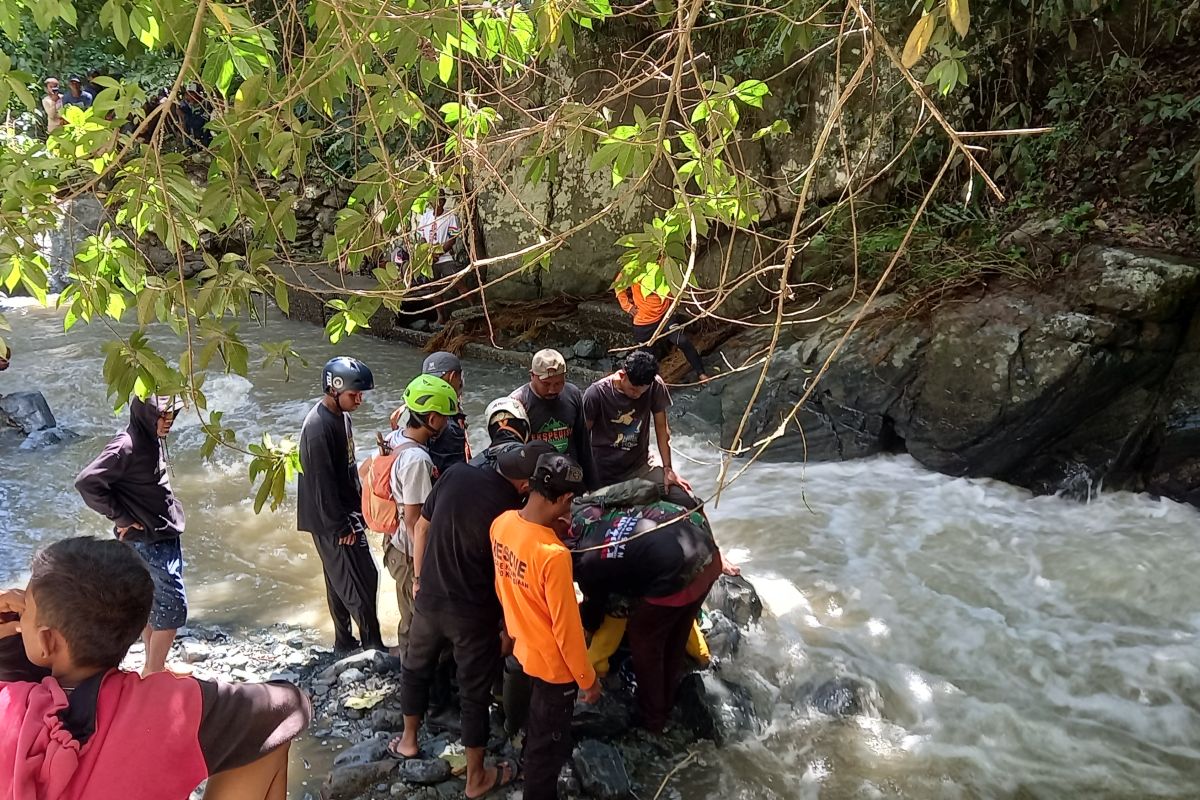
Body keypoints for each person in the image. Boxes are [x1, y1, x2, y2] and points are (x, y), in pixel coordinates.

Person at [0, 537, 311, 800]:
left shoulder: (11, 707)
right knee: (265, 740)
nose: (19, 614)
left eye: (25, 609)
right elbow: (287, 708)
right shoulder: (163, 703)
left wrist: (9, 647)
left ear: (47, 641)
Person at [390, 440, 554, 797]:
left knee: (415, 667)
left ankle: (407, 741)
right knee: (474, 693)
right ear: (527, 486)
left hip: (430, 599)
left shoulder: (455, 473)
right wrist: (509, 630)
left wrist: (419, 579)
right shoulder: (513, 511)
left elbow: (420, 527)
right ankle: (476, 778)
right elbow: (508, 575)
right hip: (472, 612)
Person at [491, 453, 601, 800]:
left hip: (524, 648)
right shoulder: (554, 556)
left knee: (534, 728)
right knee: (546, 748)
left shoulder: (503, 523)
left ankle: (521, 749)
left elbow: (502, 585)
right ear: (567, 500)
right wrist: (588, 680)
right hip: (555, 670)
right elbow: (567, 633)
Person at [568, 488, 723, 732]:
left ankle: (653, 719)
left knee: (645, 640)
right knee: (675, 635)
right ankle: (670, 698)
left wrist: (586, 629)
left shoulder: (586, 560)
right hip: (709, 558)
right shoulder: (605, 517)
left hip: (678, 573)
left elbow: (594, 609)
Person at [75, 394, 187, 676]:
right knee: (172, 605)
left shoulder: (147, 437)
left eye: (171, 414)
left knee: (152, 602)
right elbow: (87, 482)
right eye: (162, 415)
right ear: (145, 414)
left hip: (158, 535)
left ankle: (152, 665)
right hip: (148, 540)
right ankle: (154, 672)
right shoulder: (126, 445)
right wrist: (121, 516)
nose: (168, 421)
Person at [298, 356, 385, 654]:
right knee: (360, 580)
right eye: (354, 394)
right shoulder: (318, 428)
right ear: (334, 390)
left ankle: (344, 641)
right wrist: (340, 525)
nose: (359, 400)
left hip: (341, 514)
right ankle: (372, 645)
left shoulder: (340, 417)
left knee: (339, 580)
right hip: (331, 520)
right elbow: (320, 483)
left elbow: (346, 471)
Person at [379, 374, 458, 658]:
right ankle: (416, 680)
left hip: (395, 545)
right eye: (445, 419)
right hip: (410, 552)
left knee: (409, 618)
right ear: (433, 419)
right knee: (420, 622)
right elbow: (416, 522)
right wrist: (421, 576)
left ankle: (409, 673)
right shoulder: (417, 462)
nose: (447, 424)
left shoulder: (396, 437)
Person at [583, 349, 696, 508]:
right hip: (604, 475)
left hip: (641, 467)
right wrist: (585, 479)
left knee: (690, 501)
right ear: (623, 375)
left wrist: (668, 468)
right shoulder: (596, 394)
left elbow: (662, 428)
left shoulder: (654, 385)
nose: (637, 395)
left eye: (642, 391)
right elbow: (580, 437)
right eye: (633, 390)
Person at [510, 348, 600, 490]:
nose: (552, 389)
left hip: (570, 477)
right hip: (537, 483)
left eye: (558, 383)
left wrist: (593, 487)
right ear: (532, 376)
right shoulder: (518, 403)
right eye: (546, 384)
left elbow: (583, 445)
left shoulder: (573, 394)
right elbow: (512, 456)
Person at [615, 279, 709, 382]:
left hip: (665, 317)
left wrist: (673, 300)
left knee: (682, 341)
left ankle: (701, 373)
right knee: (645, 358)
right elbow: (619, 285)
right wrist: (628, 307)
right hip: (644, 322)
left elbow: (674, 282)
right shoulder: (634, 267)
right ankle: (649, 387)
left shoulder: (664, 264)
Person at [415, 192, 469, 325]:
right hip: (429, 259)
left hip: (444, 257)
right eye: (434, 202)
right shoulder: (426, 216)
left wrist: (439, 253)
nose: (437, 205)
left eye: (440, 201)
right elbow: (422, 237)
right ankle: (441, 316)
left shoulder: (450, 216)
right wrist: (427, 253)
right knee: (434, 288)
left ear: (444, 202)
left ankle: (474, 305)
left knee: (457, 282)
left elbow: (452, 239)